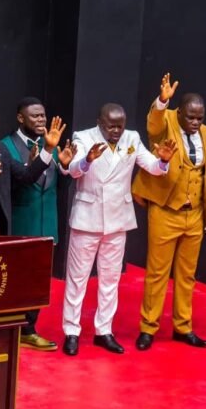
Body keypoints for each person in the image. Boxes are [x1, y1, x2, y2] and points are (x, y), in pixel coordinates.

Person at [61, 103, 176, 356]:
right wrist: (87, 160)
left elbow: (152, 167)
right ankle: (71, 331)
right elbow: (72, 170)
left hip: (117, 219)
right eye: (111, 126)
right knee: (77, 279)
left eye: (120, 126)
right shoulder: (83, 137)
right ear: (99, 122)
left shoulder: (132, 138)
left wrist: (163, 161)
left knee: (110, 279)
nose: (116, 130)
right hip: (87, 218)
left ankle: (104, 330)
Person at [132, 75, 206, 350]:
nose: (195, 122)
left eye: (200, 118)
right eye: (190, 117)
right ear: (179, 112)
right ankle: (148, 327)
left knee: (187, 275)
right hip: (165, 210)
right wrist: (162, 101)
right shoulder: (166, 121)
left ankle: (183, 327)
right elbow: (153, 124)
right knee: (157, 272)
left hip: (194, 214)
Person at [0, 98, 75, 350]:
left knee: (39, 281)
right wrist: (34, 162)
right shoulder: (5, 146)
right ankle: (8, 329)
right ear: (20, 118)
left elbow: (58, 186)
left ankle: (28, 330)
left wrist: (65, 167)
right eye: (35, 116)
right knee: (15, 281)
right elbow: (15, 183)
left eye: (43, 116)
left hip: (47, 224)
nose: (41, 120)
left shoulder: (51, 143)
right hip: (20, 224)